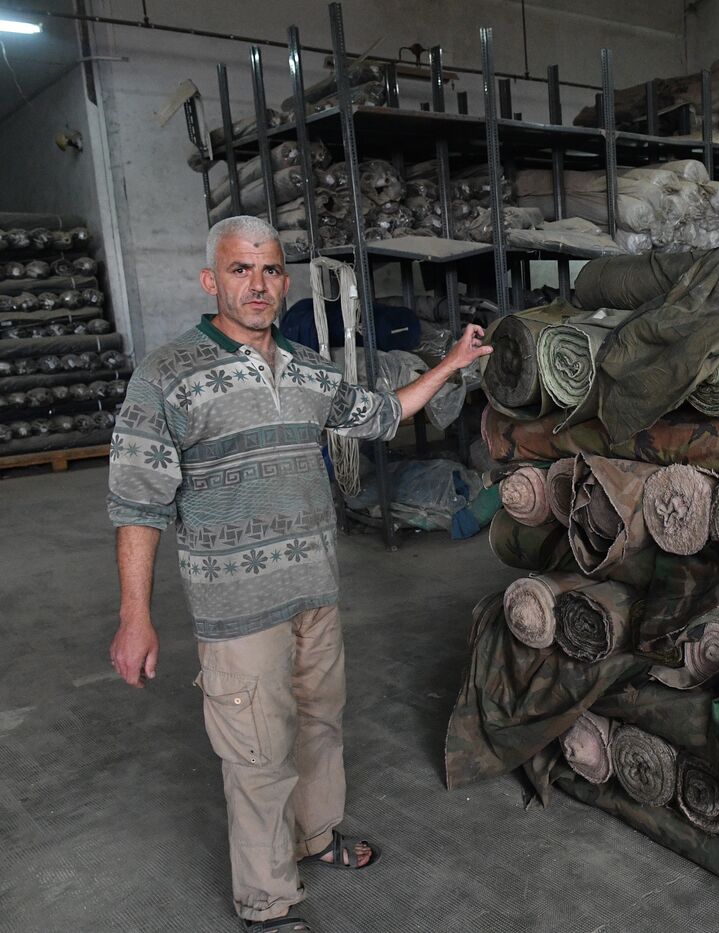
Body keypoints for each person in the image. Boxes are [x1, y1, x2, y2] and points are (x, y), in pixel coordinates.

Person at [106, 215, 492, 932]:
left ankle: (314, 836)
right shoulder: (166, 377)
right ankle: (266, 900)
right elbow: (137, 500)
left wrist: (452, 365)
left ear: (286, 281)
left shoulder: (309, 368)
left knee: (318, 721)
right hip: (238, 606)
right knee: (256, 751)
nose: (258, 285)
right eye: (241, 270)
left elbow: (380, 413)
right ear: (210, 280)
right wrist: (136, 615)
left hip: (313, 593)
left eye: (271, 270)